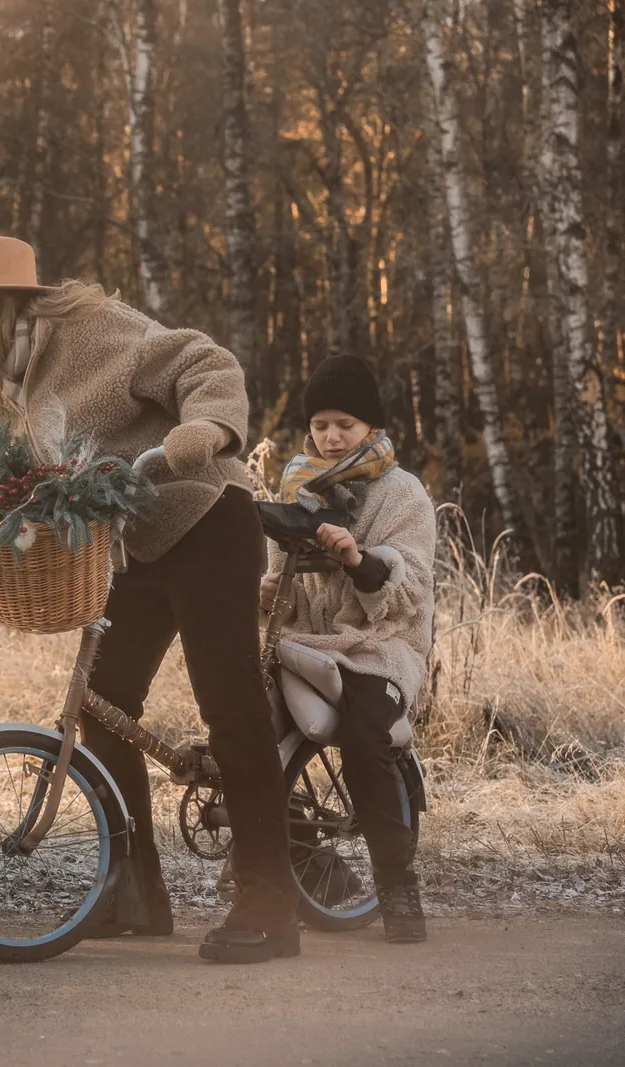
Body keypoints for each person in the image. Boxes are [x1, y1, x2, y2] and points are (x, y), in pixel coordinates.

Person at [0, 235, 300, 963]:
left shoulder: (91, 329)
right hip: (136, 548)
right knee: (103, 709)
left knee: (229, 702)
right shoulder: (0, 402)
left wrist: (200, 431)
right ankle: (133, 895)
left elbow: (205, 359)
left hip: (205, 516)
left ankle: (270, 903)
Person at [260, 355, 436, 943]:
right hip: (309, 639)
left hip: (379, 647)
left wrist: (357, 558)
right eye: (320, 426)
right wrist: (259, 596)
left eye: (345, 425)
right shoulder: (298, 490)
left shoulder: (402, 492)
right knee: (248, 726)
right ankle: (302, 870)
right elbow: (277, 584)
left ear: (372, 430)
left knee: (365, 739)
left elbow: (410, 583)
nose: (331, 437)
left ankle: (397, 886)